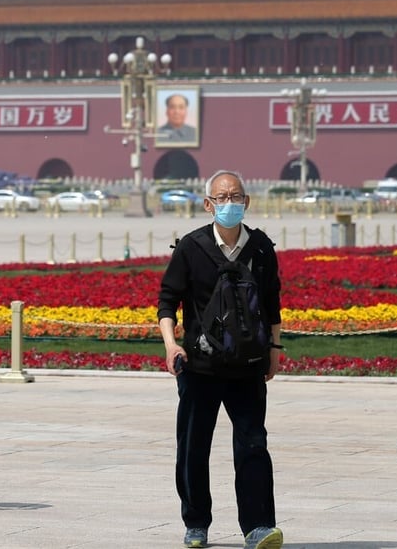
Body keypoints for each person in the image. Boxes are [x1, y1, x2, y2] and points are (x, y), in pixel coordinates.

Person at [157, 169, 284, 549]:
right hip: (199, 366)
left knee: (253, 445)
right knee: (193, 446)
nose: (229, 203)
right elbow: (167, 301)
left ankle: (258, 526)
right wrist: (170, 344)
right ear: (208, 204)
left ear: (246, 202)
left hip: (247, 366)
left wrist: (275, 350)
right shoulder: (191, 247)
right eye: (222, 197)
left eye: (236, 196)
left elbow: (273, 302)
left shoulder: (261, 248)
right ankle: (196, 522)